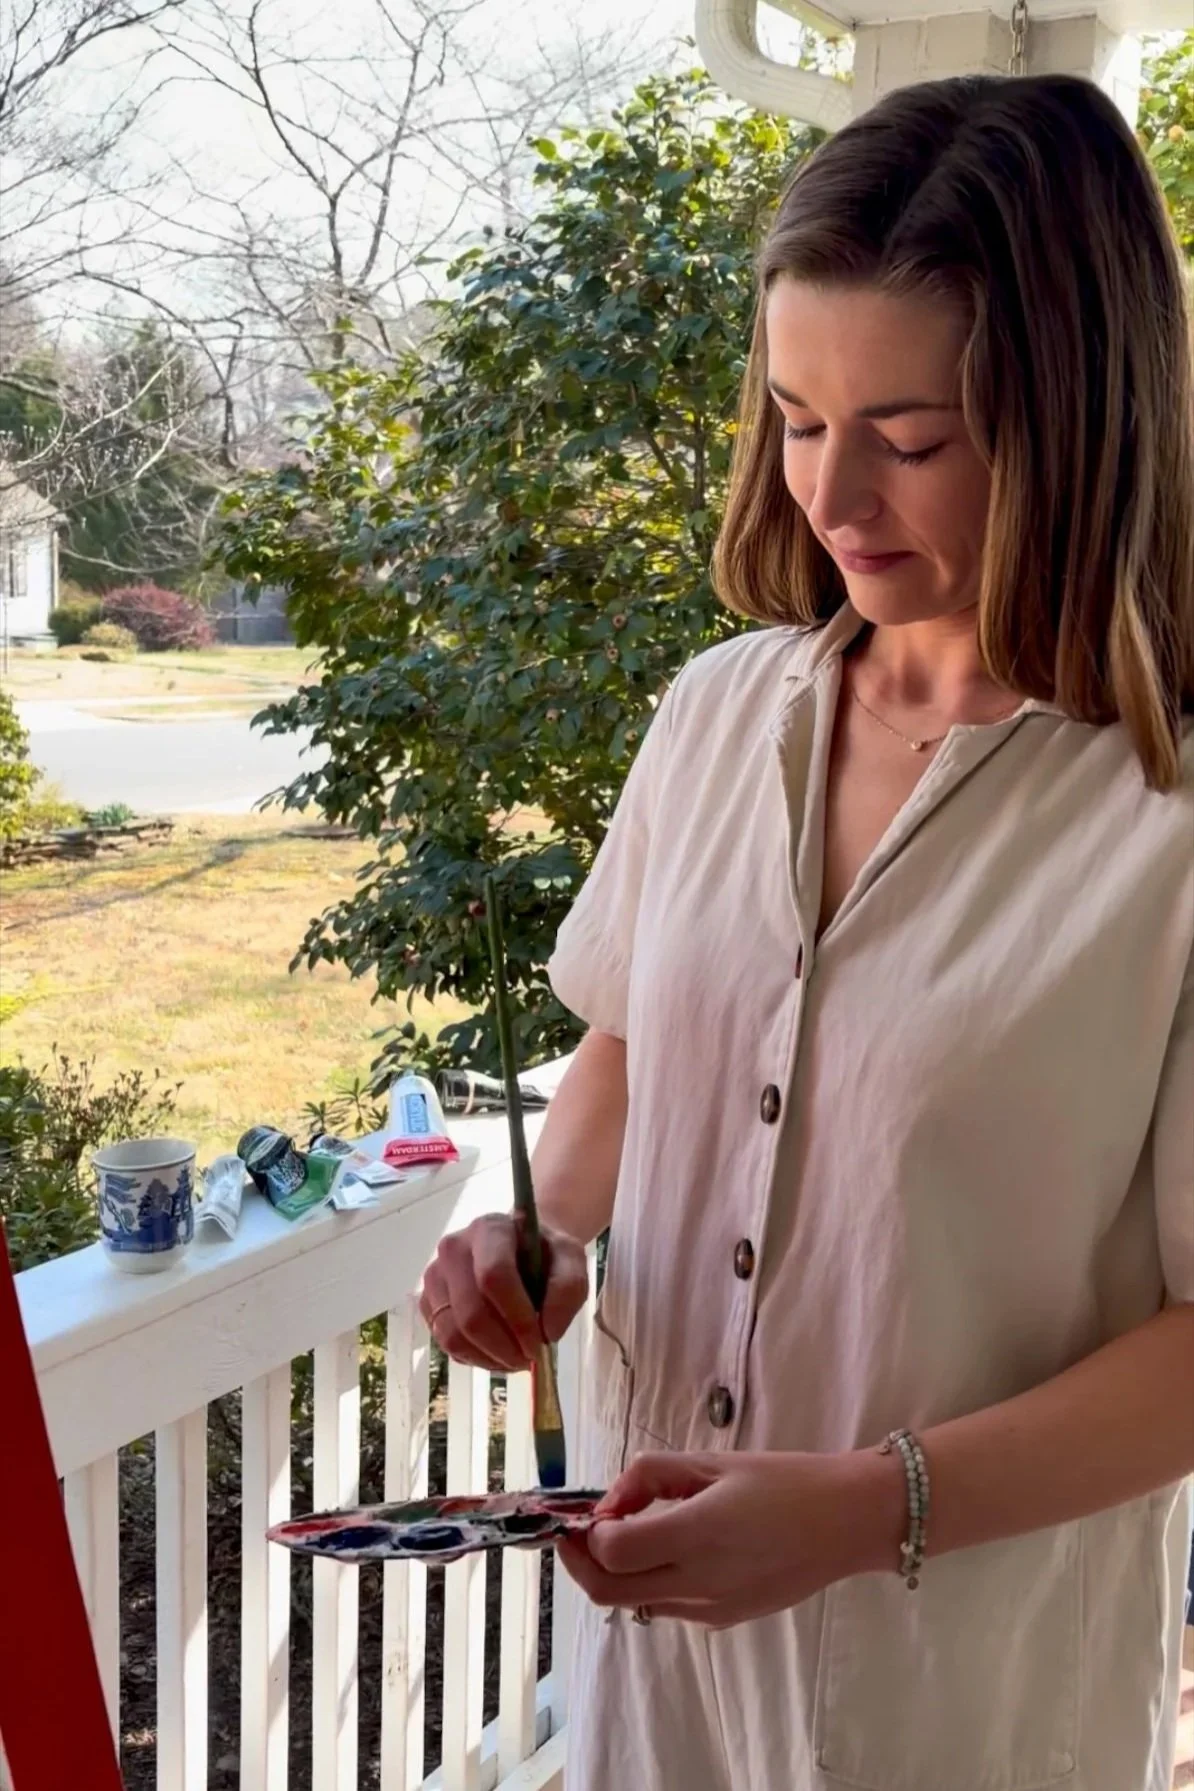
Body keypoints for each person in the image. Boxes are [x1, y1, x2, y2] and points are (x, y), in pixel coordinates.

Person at [419, 73, 1194, 1791]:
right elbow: (635, 1049)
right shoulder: (717, 712)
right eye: (792, 418)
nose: (833, 496)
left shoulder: (1162, 815)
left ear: (1082, 418)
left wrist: (860, 1509)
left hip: (966, 1697)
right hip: (652, 1673)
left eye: (908, 440)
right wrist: (537, 1234)